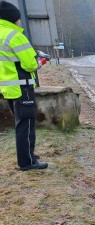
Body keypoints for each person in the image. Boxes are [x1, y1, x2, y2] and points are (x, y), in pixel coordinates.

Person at [0, 1, 48, 171]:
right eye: (18, 18)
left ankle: (29, 154)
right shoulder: (15, 35)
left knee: (22, 123)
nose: (20, 21)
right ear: (13, 19)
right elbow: (29, 64)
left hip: (8, 87)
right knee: (26, 124)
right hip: (22, 87)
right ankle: (27, 162)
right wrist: (40, 61)